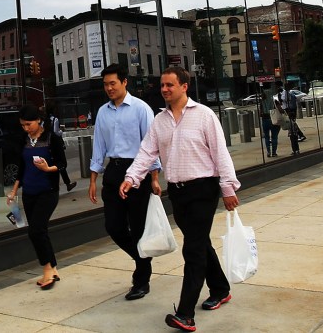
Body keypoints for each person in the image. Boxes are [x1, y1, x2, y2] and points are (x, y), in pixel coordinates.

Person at [120, 67, 240, 332]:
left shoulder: (204, 116)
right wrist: (132, 178)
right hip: (177, 191)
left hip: (203, 190)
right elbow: (146, 152)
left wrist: (228, 188)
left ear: (184, 86)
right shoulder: (159, 120)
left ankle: (185, 313)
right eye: (162, 85)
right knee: (199, 242)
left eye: (169, 85)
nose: (164, 90)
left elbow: (221, 153)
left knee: (193, 249)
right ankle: (220, 289)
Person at [89, 64, 161, 301]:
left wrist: (154, 177)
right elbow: (98, 146)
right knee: (114, 226)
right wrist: (93, 179)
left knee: (139, 228)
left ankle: (142, 279)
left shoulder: (141, 109)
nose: (109, 88)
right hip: (113, 171)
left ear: (124, 82)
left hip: (137, 171)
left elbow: (151, 146)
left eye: (113, 83)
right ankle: (142, 261)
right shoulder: (102, 112)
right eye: (105, 84)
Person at [6, 104, 67, 290]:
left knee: (36, 231)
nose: (26, 128)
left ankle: (47, 269)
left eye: (29, 124)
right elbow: (21, 168)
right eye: (23, 125)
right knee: (39, 232)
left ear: (39, 120)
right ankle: (54, 267)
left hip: (47, 191)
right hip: (29, 193)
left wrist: (48, 168)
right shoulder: (24, 140)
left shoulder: (51, 139)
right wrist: (14, 191)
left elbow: (62, 164)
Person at [44, 101, 77, 192]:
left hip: (49, 144)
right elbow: (56, 132)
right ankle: (60, 185)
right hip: (56, 144)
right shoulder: (55, 119)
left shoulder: (45, 120)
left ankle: (67, 183)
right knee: (61, 163)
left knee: (56, 164)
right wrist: (61, 131)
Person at [281, 82, 304, 155]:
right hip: (291, 110)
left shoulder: (286, 93)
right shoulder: (289, 93)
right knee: (294, 138)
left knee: (293, 139)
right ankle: (296, 150)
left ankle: (295, 150)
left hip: (289, 109)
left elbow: (284, 99)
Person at [259, 84, 281, 158]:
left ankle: (268, 152)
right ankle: (274, 152)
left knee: (267, 137)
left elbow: (260, 112)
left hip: (265, 119)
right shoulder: (274, 99)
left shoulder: (262, 99)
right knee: (274, 136)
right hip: (273, 118)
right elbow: (280, 109)